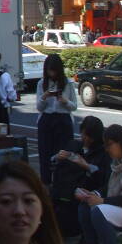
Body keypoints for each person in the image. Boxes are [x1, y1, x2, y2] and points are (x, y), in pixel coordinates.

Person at [50, 116, 111, 237]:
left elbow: (104, 176)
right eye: (83, 134)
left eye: (88, 136)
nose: (85, 138)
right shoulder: (74, 145)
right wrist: (58, 157)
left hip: (84, 189)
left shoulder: (103, 153)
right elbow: (54, 161)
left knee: (66, 213)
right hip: (64, 188)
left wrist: (86, 166)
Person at [36, 53, 77, 184]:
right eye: (49, 70)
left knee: (63, 154)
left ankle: (62, 185)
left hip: (63, 120)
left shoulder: (67, 83)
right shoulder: (42, 83)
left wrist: (65, 101)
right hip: (46, 120)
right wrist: (45, 96)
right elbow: (39, 107)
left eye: (54, 71)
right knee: (45, 154)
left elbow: (74, 106)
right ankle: (46, 184)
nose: (51, 74)